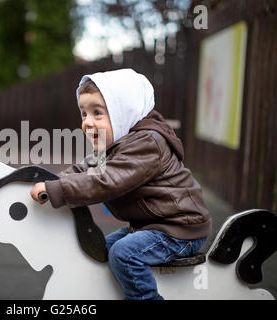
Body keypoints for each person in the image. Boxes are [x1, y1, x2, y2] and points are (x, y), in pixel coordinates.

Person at [30, 68, 211, 300]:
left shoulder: (147, 143)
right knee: (99, 248)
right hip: (151, 224)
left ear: (123, 112)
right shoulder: (118, 143)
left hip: (179, 228)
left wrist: (58, 190)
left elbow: (106, 181)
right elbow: (86, 169)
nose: (87, 122)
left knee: (123, 254)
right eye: (84, 114)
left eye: (97, 113)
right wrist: (54, 182)